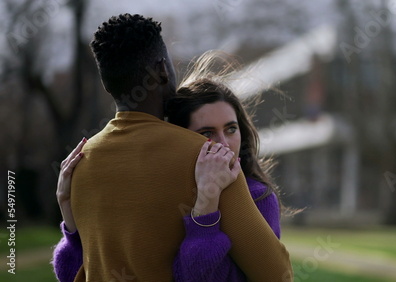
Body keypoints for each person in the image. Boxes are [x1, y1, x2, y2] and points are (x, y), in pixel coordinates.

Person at [52, 13, 292, 281]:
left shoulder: (80, 165)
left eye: (231, 129)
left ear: (107, 84)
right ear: (163, 70)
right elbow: (277, 274)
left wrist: (68, 215)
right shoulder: (210, 161)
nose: (222, 141)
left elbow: (72, 275)